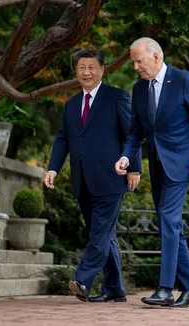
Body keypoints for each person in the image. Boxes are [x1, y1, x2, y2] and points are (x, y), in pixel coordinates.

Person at [115, 37, 189, 308]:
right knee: (170, 225)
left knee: (169, 221)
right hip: (157, 166)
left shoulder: (183, 80)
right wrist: (126, 156)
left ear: (156, 57)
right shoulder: (139, 89)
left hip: (182, 164)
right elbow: (136, 131)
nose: (135, 66)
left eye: (139, 60)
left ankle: (165, 289)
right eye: (133, 61)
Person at [45, 49, 142, 303]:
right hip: (83, 181)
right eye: (81, 68)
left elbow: (132, 134)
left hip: (111, 177)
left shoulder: (117, 97)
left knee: (100, 233)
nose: (86, 72)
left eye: (91, 67)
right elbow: (63, 139)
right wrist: (53, 168)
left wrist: (134, 168)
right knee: (103, 235)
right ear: (76, 72)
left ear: (102, 70)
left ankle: (83, 280)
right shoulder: (72, 104)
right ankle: (114, 289)